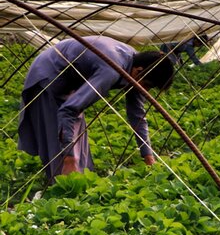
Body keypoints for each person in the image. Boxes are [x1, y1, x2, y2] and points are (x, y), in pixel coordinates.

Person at [18, 36, 176, 184]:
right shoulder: (112, 69)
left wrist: (148, 157)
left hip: (70, 81)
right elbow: (68, 110)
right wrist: (69, 159)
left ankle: (78, 183)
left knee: (76, 136)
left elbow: (137, 116)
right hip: (49, 74)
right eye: (147, 86)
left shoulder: (136, 65)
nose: (146, 91)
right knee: (57, 137)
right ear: (139, 71)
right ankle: (62, 188)